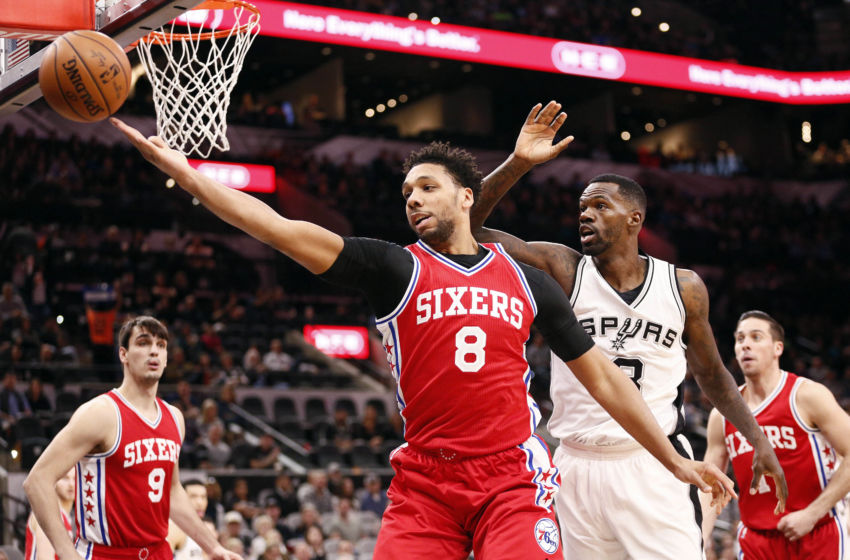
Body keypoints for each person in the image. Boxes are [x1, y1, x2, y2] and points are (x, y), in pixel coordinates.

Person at [111, 115, 734, 559]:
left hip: (512, 477)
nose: (412, 200)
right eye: (407, 192)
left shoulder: (529, 282)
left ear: (468, 198)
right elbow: (274, 226)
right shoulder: (392, 267)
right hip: (425, 482)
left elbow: (605, 382)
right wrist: (186, 175)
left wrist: (674, 458)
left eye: (427, 188)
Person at [469, 101, 787, 558]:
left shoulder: (682, 286)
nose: (585, 214)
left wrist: (758, 440)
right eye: (582, 207)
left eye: (600, 206)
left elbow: (713, 375)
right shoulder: (565, 268)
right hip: (575, 465)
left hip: (654, 465)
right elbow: (468, 228)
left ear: (634, 218)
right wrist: (519, 163)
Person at [23, 316, 239, 560]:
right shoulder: (101, 413)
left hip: (159, 552)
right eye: (144, 343)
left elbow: (171, 491)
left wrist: (213, 546)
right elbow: (37, 480)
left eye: (161, 345)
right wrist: (67, 553)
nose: (154, 352)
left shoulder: (174, 418)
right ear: (123, 354)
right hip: (107, 553)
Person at [701, 311, 850, 558]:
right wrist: (701, 539)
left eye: (756, 337)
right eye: (740, 339)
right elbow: (710, 486)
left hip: (817, 533)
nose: (745, 344)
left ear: (777, 348)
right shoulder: (722, 415)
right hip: (756, 540)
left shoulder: (807, 395)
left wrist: (813, 513)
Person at [25, 468, 75, 560]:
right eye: (65, 478)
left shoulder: (66, 517)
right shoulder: (46, 512)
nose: (71, 484)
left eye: (75, 479)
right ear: (54, 481)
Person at [168, 479, 210, 560]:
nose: (200, 502)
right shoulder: (175, 527)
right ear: (181, 499)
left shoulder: (202, 530)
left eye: (203, 497)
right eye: (193, 496)